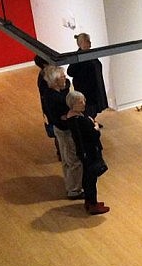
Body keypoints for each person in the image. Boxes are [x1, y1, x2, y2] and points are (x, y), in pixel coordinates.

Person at [43, 65, 84, 199]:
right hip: (65, 131)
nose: (65, 78)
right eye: (62, 77)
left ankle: (71, 185)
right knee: (73, 160)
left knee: (67, 160)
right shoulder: (54, 98)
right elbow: (60, 118)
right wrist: (70, 117)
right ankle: (74, 190)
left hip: (61, 130)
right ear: (55, 81)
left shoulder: (56, 93)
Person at [66, 91, 110, 215]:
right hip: (90, 152)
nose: (84, 104)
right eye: (80, 102)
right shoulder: (81, 120)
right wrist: (95, 126)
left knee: (88, 177)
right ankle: (93, 204)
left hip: (83, 152)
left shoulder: (71, 116)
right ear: (73, 104)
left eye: (84, 100)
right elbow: (94, 135)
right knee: (91, 179)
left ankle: (90, 202)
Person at [66, 33, 108, 126]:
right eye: (87, 41)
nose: (90, 42)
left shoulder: (90, 54)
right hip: (86, 88)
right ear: (81, 43)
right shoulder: (77, 56)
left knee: (95, 107)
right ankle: (89, 123)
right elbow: (70, 72)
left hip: (95, 87)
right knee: (88, 107)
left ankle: (92, 121)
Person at [35, 55, 61, 161]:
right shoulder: (45, 80)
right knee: (57, 132)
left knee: (57, 132)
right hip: (51, 110)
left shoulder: (43, 76)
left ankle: (61, 152)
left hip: (49, 110)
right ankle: (61, 153)